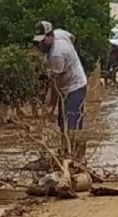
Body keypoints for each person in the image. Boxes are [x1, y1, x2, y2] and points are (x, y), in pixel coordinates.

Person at [33, 21, 88, 157]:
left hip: (75, 86)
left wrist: (51, 105)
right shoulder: (61, 33)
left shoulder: (56, 55)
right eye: (38, 41)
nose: (40, 45)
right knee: (62, 121)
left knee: (71, 122)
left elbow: (55, 83)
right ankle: (65, 151)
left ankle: (72, 154)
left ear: (50, 36)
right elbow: (73, 37)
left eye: (43, 41)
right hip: (65, 86)